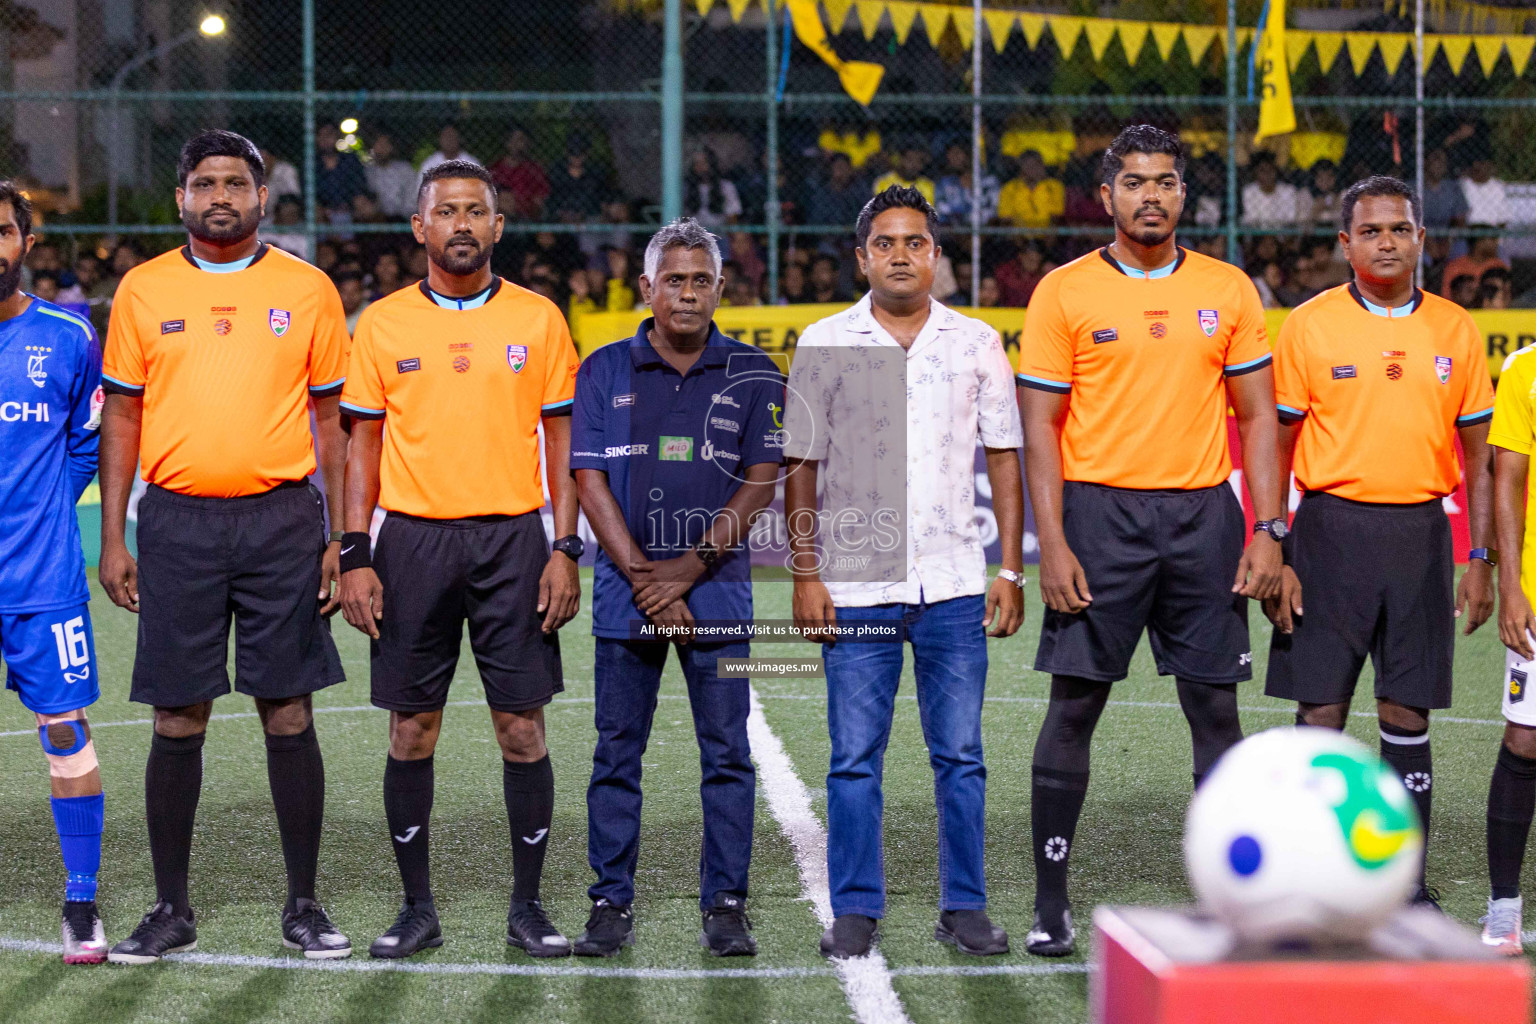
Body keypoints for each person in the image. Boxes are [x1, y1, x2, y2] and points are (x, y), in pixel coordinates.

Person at [1015, 125, 1284, 957]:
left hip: (1204, 519)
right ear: (1108, 197)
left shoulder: (1229, 288)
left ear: (1183, 194)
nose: (1151, 196)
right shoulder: (1063, 292)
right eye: (1135, 183)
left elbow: (1259, 420)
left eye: (1165, 182)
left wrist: (1268, 530)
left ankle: (1226, 900)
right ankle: (1051, 902)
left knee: (1214, 709)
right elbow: (1040, 429)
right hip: (1099, 521)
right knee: (1076, 705)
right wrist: (1049, 543)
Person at [98, 130, 352, 963]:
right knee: (178, 713)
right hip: (175, 523)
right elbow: (125, 417)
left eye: (235, 183)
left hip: (283, 521)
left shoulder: (307, 289)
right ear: (181, 197)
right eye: (204, 182)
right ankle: (171, 907)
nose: (220, 196)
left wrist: (338, 538)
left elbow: (330, 422)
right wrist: (115, 536)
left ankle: (305, 906)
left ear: (261, 195)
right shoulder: (142, 290)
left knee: (289, 709)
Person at [338, 160, 582, 960]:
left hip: (515, 540)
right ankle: (417, 909)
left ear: (498, 226)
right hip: (411, 542)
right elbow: (358, 450)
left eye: (478, 210)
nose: (463, 223)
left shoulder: (540, 319)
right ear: (420, 227)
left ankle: (528, 907)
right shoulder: (379, 325)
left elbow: (562, 440)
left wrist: (565, 547)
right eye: (447, 211)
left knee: (522, 728)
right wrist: (354, 554)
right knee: (413, 730)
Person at [784, 186, 1026, 959]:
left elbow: (1005, 457)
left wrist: (1011, 570)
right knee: (854, 758)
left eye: (914, 242)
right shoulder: (825, 340)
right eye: (884, 243)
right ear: (861, 258)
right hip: (857, 581)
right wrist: (804, 572)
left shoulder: (976, 341)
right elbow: (801, 463)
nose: (900, 254)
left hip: (954, 581)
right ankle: (855, 908)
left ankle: (965, 907)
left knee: (960, 755)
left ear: (935, 255)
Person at [1265, 175, 1496, 911]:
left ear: (1421, 238)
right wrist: (1275, 544)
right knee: (1320, 712)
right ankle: (1310, 876)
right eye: (1370, 231)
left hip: (1424, 536)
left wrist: (1481, 558)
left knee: (1408, 713)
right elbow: (1274, 441)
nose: (1387, 242)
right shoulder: (1308, 325)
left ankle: (1407, 883)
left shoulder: (1456, 330)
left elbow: (1481, 457)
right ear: (1346, 244)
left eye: (1400, 229)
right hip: (1328, 533)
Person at [569, 218, 782, 957]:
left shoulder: (755, 372)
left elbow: (761, 481)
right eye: (674, 280)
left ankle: (726, 903)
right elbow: (588, 479)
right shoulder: (602, 369)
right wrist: (645, 579)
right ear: (647, 288)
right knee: (615, 752)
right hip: (626, 599)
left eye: (701, 281)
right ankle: (610, 901)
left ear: (721, 289)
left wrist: (685, 572)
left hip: (717, 596)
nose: (687, 294)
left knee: (726, 753)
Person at [0, 181, 109, 965]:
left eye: (0, 231)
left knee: (66, 734)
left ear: (25, 242)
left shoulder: (69, 336)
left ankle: (80, 900)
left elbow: (85, 441)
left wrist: (42, 509)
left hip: (41, 577)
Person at [1481, 323, 1536, 953]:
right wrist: (1511, 585)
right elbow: (1508, 481)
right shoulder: (1524, 368)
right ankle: (1504, 907)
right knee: (1525, 740)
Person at [489, 128, 551, 222]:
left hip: (527, 219)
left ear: (527, 143)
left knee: (545, 235)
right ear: (507, 142)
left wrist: (521, 209)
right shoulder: (495, 169)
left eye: (520, 140)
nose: (516, 144)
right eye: (512, 139)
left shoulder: (534, 170)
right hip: (501, 219)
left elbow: (540, 202)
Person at [997, 150, 1065, 230]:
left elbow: (1057, 215)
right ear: (1021, 167)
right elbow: (1005, 217)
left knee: (1053, 228)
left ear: (1043, 166)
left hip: (1047, 232)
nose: (1033, 169)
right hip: (1018, 233)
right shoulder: (1010, 188)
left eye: (1037, 165)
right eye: (1029, 165)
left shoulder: (1054, 186)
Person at [804, 153, 869, 228]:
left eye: (845, 168)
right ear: (830, 170)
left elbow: (865, 215)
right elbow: (816, 218)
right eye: (838, 167)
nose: (842, 172)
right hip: (827, 234)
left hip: (852, 234)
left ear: (850, 171)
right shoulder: (823, 192)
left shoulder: (859, 190)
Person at [683, 149, 742, 231]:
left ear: (712, 164)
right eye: (696, 164)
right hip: (694, 234)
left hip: (719, 233)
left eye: (703, 163)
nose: (700, 167)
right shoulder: (687, 187)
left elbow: (732, 215)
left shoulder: (725, 186)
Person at [1240, 151, 1301, 228]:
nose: (1267, 174)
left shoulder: (1288, 191)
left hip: (1283, 234)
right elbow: (1253, 220)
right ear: (1255, 173)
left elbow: (1290, 219)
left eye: (1270, 170)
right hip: (1257, 234)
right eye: (1262, 170)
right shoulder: (1249, 191)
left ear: (1276, 171)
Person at [1441, 232, 1508, 300]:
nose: (1496, 244)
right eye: (1492, 240)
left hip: (1491, 309)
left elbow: (1507, 293)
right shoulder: (1454, 266)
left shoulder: (1498, 265)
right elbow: (1446, 297)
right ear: (1479, 242)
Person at [366, 134, 418, 220]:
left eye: (385, 145)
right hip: (377, 219)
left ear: (391, 148)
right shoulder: (369, 172)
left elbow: (412, 197)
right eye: (378, 145)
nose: (381, 149)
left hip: (403, 217)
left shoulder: (404, 169)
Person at [1421, 149, 1469, 230]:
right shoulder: (1413, 187)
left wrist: (1449, 238)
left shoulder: (1454, 188)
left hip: (1447, 236)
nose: (1439, 165)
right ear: (1426, 163)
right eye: (1435, 160)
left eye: (1442, 162)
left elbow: (1460, 219)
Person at [334, 269, 369, 333]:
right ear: (337, 292)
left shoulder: (370, 314)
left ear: (362, 292)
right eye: (344, 292)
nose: (349, 296)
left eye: (354, 291)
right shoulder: (329, 314)